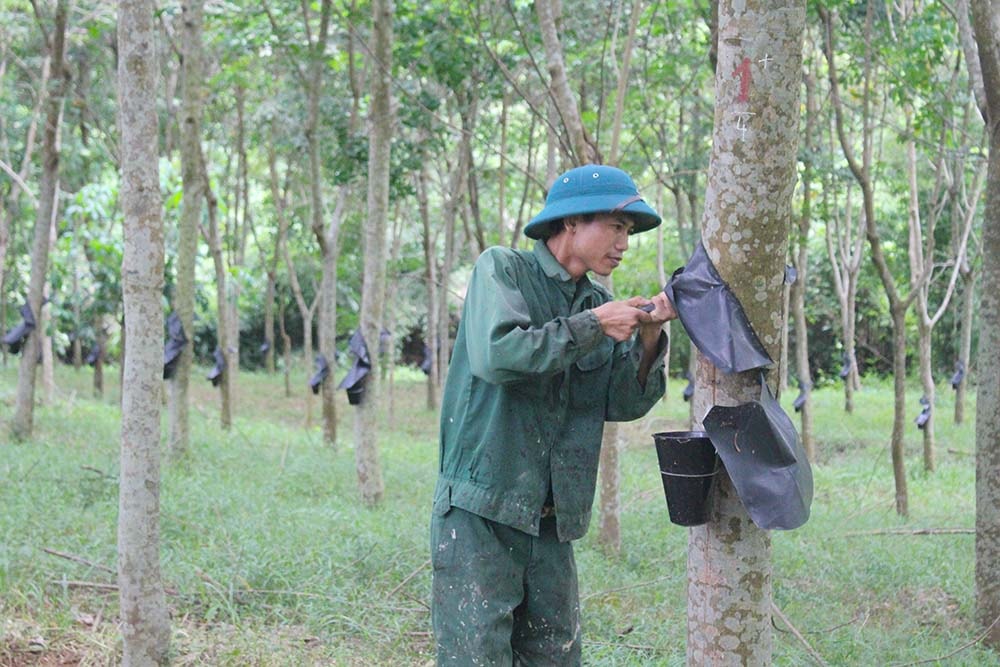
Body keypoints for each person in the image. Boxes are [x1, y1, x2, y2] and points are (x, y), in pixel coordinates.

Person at [430, 164, 677, 666]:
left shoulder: (596, 300)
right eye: (616, 227)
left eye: (627, 232)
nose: (624, 244)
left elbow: (622, 403)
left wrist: (650, 333)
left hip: (551, 520)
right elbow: (500, 356)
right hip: (482, 511)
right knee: (476, 656)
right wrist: (593, 325)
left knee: (556, 655)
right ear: (570, 222)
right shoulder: (502, 270)